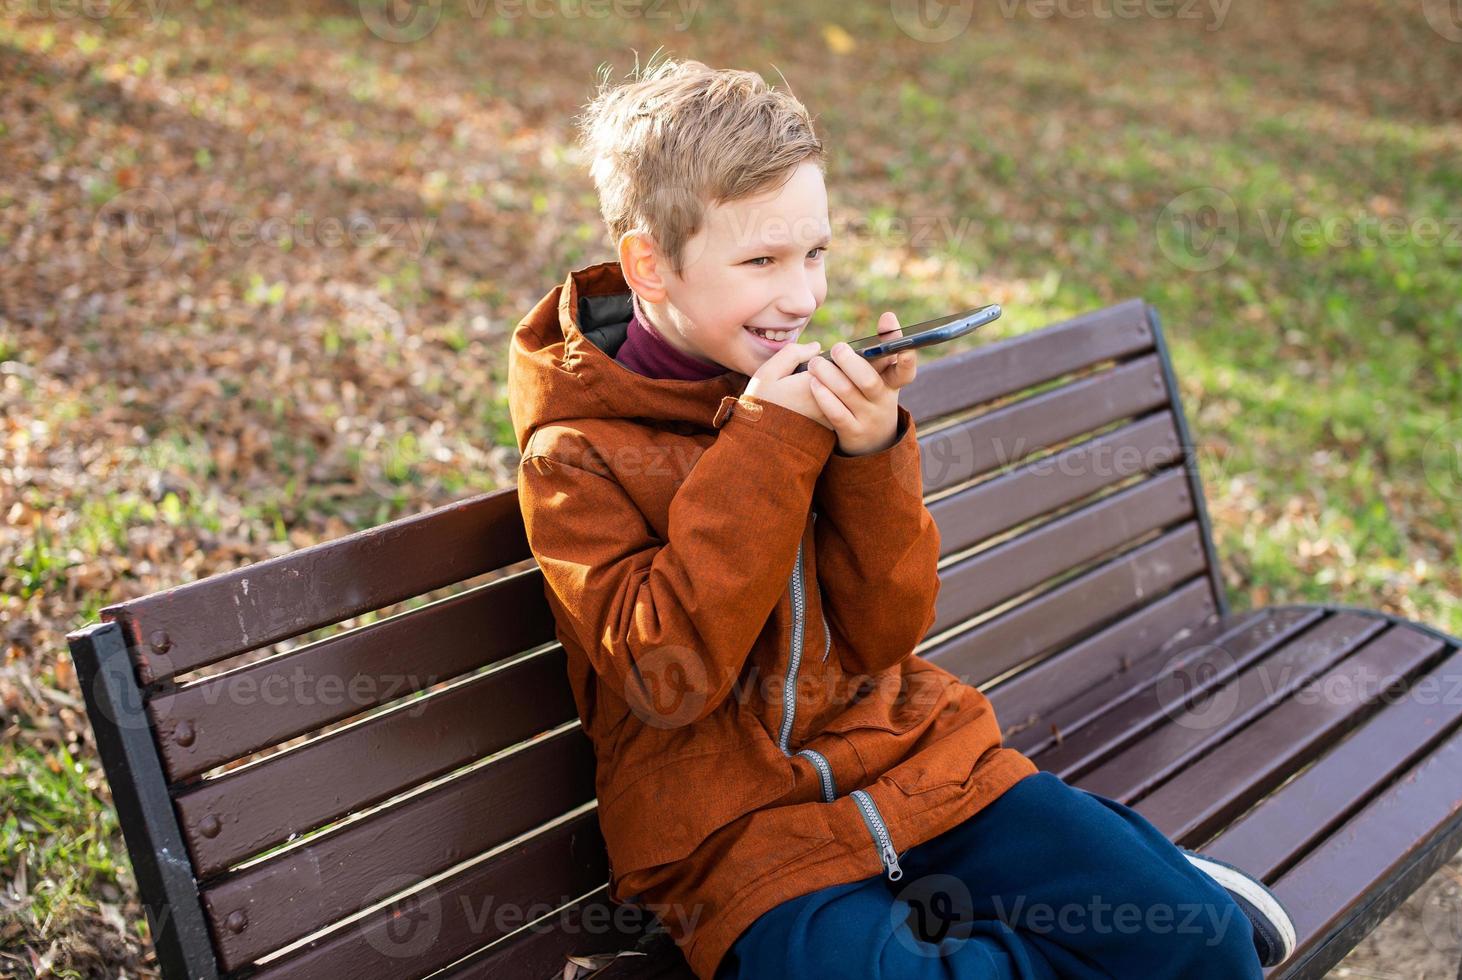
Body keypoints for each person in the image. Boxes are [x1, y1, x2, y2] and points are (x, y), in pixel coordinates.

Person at [507, 56, 1296, 980]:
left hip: (921, 765)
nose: (800, 296)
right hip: (738, 842)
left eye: (814, 254)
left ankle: (1163, 907)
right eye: (760, 260)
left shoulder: (807, 401)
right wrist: (765, 442)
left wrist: (870, 454)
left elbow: (889, 632)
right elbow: (668, 677)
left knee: (1202, 949)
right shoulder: (575, 457)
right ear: (651, 262)